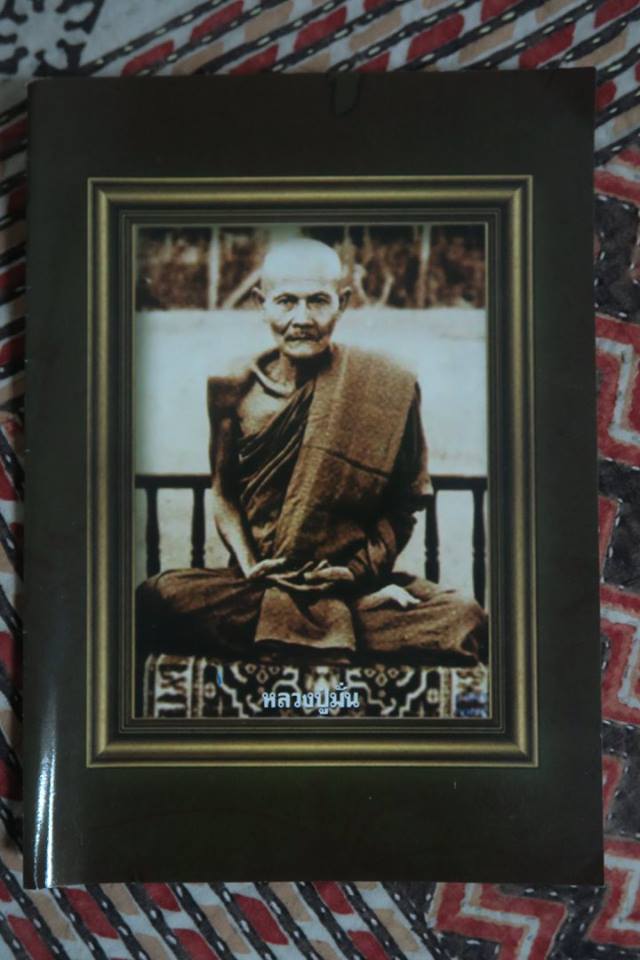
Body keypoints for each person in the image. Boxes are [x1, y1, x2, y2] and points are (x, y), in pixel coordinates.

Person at [136, 238, 487, 675]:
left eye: (318, 301)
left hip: (346, 580)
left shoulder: (390, 385)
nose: (302, 319)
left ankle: (322, 618)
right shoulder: (230, 387)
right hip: (260, 585)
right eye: (286, 301)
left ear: (343, 303)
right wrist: (251, 567)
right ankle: (347, 620)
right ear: (261, 304)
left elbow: (403, 507)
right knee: (158, 597)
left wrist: (356, 575)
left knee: (463, 614)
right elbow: (224, 494)